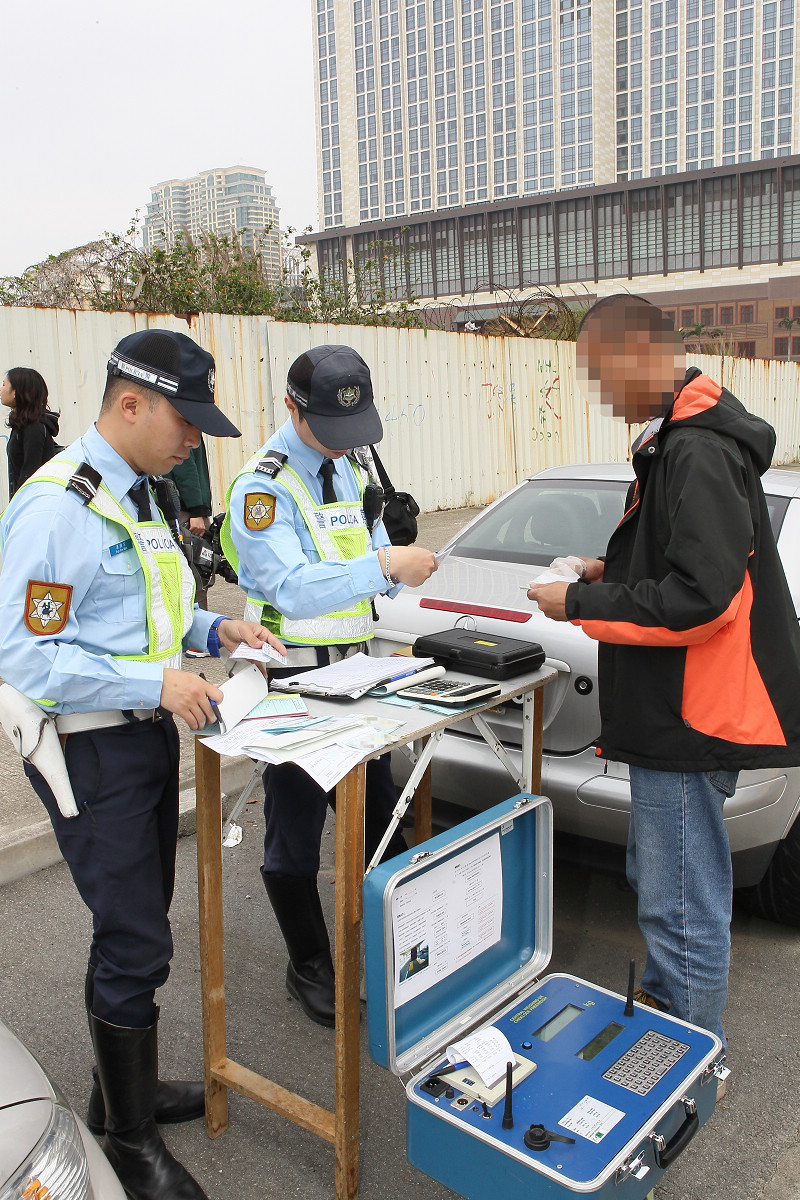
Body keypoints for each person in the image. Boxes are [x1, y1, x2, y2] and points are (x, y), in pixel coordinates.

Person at [0, 329, 285, 1200]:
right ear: (130, 404)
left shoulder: (143, 493)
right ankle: (127, 1141)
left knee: (137, 923)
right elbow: (29, 657)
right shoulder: (59, 508)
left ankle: (115, 1092)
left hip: (148, 733)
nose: (194, 439)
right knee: (134, 937)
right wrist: (155, 683)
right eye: (184, 422)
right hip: (92, 747)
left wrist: (216, 630)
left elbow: (148, 616)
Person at [528, 294, 800, 1057]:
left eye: (600, 373)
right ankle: (668, 1011)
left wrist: (580, 602)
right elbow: (681, 562)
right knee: (664, 887)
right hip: (669, 713)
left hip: (689, 716)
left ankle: (689, 1060)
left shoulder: (696, 449)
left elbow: (701, 599)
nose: (599, 393)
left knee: (682, 907)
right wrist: (604, 569)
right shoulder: (676, 438)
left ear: (642, 355)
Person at [222, 344, 437, 1027]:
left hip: (356, 669)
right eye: (331, 429)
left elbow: (361, 550)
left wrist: (389, 548)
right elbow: (291, 586)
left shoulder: (346, 466)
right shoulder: (262, 488)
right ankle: (309, 965)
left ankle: (407, 951)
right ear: (292, 409)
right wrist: (385, 564)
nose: (344, 443)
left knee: (380, 813)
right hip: (293, 678)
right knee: (295, 828)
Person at [168, 438, 213, 611]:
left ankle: (197, 621)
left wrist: (196, 510)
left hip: (187, 514)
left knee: (194, 575)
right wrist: (197, 510)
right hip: (189, 513)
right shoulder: (185, 427)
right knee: (195, 575)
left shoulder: (183, 428)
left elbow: (186, 468)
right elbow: (185, 467)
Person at [2, 366, 61, 497]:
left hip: (31, 503)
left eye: (4, 384)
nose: (1, 389)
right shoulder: (22, 426)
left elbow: (30, 474)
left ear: (16, 392)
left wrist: (17, 504)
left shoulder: (33, 428)